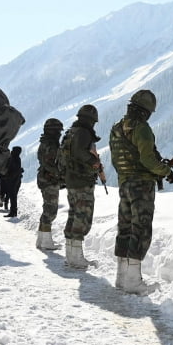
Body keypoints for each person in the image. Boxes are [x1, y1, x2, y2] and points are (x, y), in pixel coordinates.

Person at [109, 89, 173, 292]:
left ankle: (121, 278)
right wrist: (166, 171)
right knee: (141, 227)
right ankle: (133, 282)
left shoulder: (117, 127)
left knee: (126, 226)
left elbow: (116, 159)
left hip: (124, 183)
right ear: (146, 111)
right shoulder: (142, 128)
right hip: (141, 186)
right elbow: (147, 159)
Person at [62, 105, 106, 269]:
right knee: (82, 217)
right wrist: (94, 162)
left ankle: (71, 255)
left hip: (72, 180)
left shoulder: (72, 132)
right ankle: (77, 258)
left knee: (74, 215)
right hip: (81, 181)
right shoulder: (83, 133)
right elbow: (81, 152)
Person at [34, 117, 64, 251]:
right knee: (50, 210)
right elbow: (50, 164)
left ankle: (41, 239)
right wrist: (60, 175)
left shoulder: (45, 142)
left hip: (45, 178)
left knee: (47, 208)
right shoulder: (51, 145)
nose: (60, 133)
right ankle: (45, 241)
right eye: (58, 131)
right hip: (49, 179)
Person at [1, 146, 23, 218]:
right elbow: (16, 170)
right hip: (16, 180)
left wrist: (8, 177)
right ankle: (13, 212)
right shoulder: (16, 158)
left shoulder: (13, 158)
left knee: (12, 197)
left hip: (13, 181)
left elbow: (13, 170)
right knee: (13, 197)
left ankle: (13, 212)